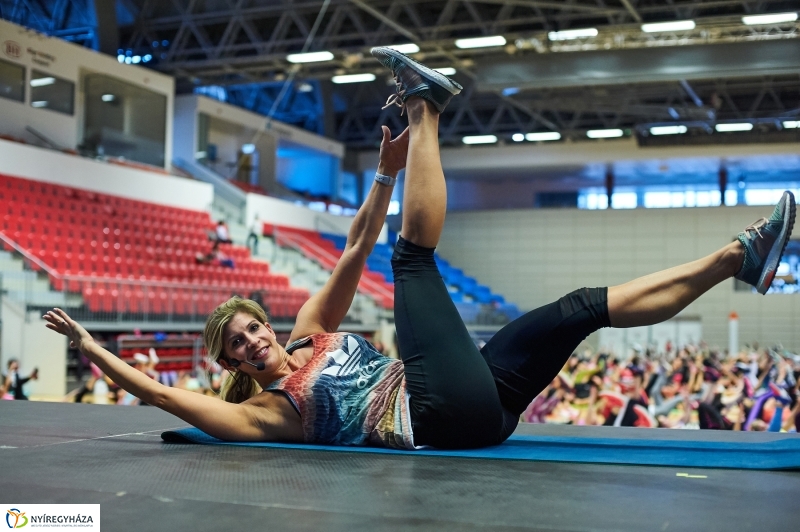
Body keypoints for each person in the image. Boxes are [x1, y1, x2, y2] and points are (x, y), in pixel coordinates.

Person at [44, 48, 796, 450]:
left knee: (577, 309)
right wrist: (87, 345)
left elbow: (358, 242)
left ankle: (740, 258)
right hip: (435, 420)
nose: (252, 340)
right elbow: (159, 395)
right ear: (234, 365)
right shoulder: (270, 414)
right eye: (238, 345)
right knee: (412, 261)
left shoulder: (309, 325)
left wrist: (383, 172)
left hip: (481, 409)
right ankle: (423, 102)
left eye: (249, 327)